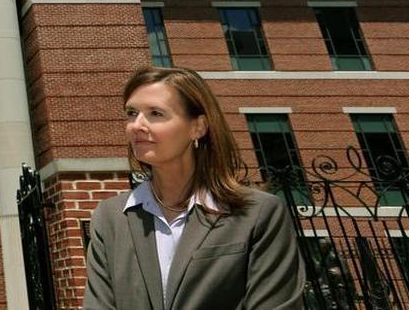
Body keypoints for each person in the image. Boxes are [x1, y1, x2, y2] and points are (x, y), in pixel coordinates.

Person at [82, 66, 305, 310]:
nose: (136, 125)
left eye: (155, 113)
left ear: (198, 127)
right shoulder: (109, 218)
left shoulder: (258, 213)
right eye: (132, 113)